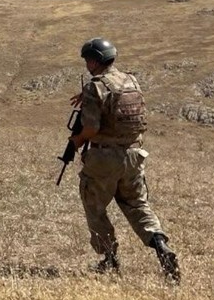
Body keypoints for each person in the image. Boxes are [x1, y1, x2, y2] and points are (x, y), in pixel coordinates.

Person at [69, 37, 181, 282]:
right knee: (137, 205)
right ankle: (160, 244)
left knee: (94, 206)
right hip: (134, 155)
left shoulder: (95, 86)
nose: (87, 64)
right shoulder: (131, 80)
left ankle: (109, 258)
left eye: (88, 59)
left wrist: (76, 141)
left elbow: (90, 127)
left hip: (104, 158)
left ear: (96, 61)